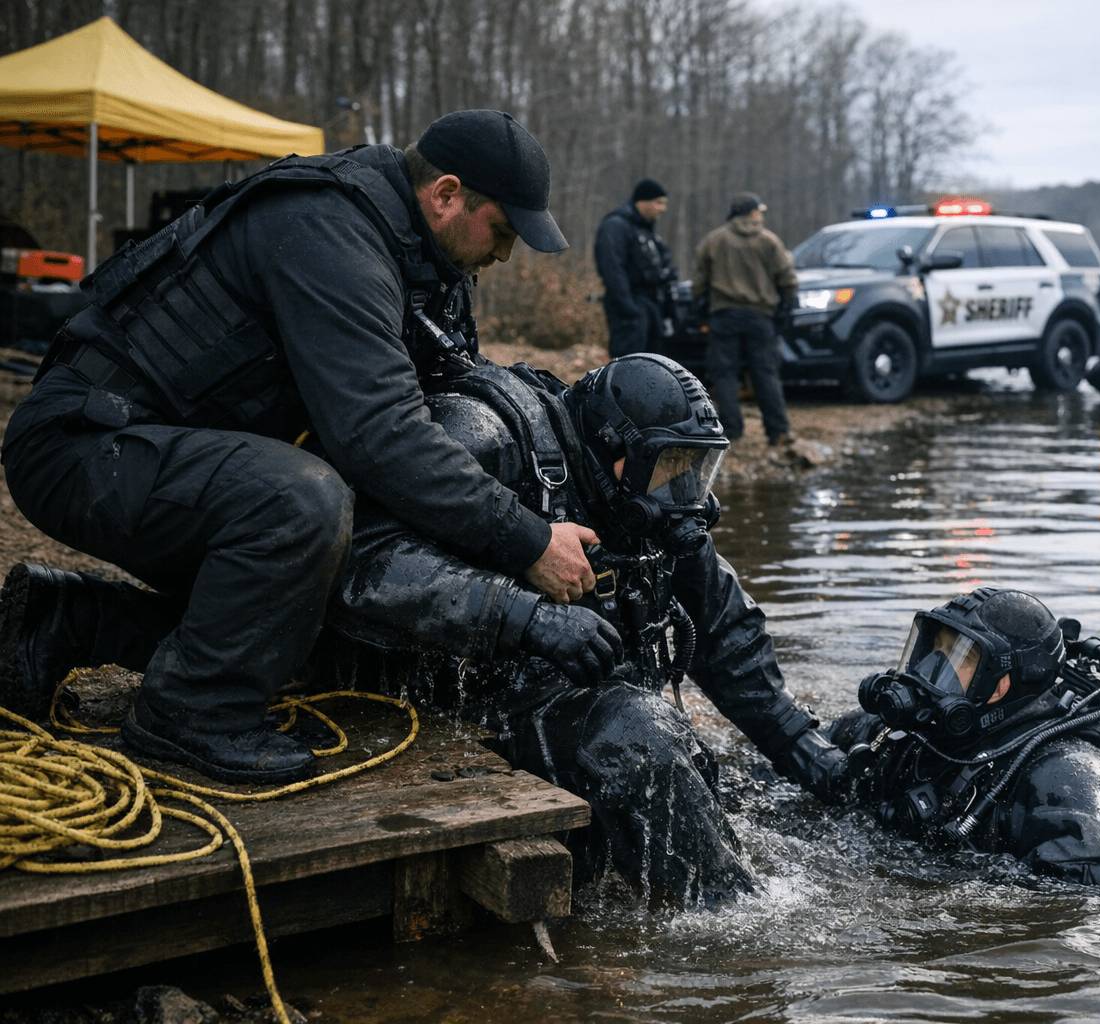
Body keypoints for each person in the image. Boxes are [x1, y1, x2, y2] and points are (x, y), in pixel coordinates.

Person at [3, 353, 851, 905]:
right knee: (641, 739)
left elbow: (728, 632)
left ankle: (68, 616)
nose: (684, 493)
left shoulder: (661, 510)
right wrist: (520, 615)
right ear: (614, 446)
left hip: (474, 671)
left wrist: (804, 748)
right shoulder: (487, 434)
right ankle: (738, 931)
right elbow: (363, 561)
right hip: (395, 653)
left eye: (698, 469)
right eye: (671, 468)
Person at [0, 109, 599, 785]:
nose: (506, 253)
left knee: (318, 603)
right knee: (303, 503)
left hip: (175, 448)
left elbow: (447, 401)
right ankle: (188, 714)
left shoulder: (421, 254)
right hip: (83, 443)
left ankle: (70, 619)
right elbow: (383, 434)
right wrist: (527, 541)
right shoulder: (330, 231)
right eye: (503, 230)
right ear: (447, 194)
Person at [827, 588, 1100, 886]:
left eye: (958, 659)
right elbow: (809, 759)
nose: (934, 670)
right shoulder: (910, 732)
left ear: (1002, 681)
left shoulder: (1067, 780)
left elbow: (1086, 915)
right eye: (934, 649)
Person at [693, 192, 797, 445]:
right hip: (761, 318)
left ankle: (731, 432)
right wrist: (786, 309)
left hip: (724, 316)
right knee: (766, 374)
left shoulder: (713, 241)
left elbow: (699, 284)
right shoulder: (769, 241)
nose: (761, 215)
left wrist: (700, 310)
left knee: (725, 375)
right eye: (759, 211)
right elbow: (787, 279)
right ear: (753, 213)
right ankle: (778, 431)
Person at [594, 178, 678, 358]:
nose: (663, 208)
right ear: (643, 202)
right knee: (628, 363)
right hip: (631, 306)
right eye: (659, 203)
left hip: (651, 306)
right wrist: (629, 309)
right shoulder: (616, 226)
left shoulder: (645, 231)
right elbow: (613, 269)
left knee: (650, 365)